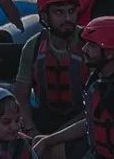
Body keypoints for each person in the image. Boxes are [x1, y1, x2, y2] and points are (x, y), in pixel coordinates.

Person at [13, 0, 86, 148]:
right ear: (45, 16)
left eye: (71, 11)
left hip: (82, 121)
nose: (68, 18)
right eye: (59, 12)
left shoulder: (89, 44)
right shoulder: (33, 46)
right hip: (45, 120)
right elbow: (21, 96)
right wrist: (32, 131)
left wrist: (52, 139)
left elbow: (100, 100)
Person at [33, 16, 114, 159]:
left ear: (109, 53)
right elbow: (91, 122)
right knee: (43, 150)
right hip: (96, 151)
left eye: (92, 45)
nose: (84, 49)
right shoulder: (98, 78)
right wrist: (48, 139)